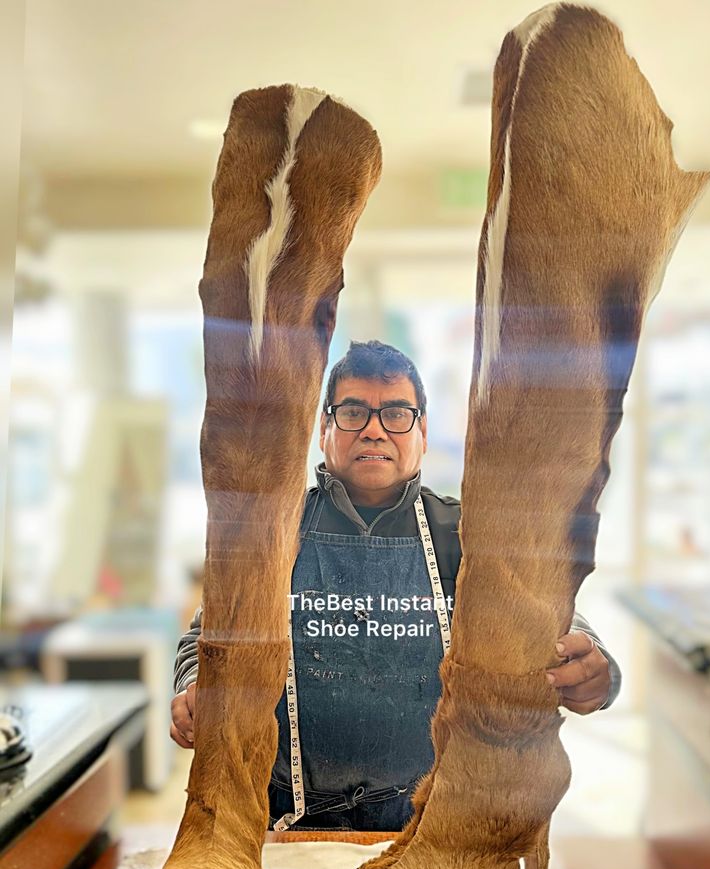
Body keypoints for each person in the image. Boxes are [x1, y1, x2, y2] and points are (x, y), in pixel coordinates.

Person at [171, 340, 621, 831]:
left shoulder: (468, 535)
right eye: (353, 412)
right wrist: (195, 688)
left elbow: (547, 617)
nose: (374, 430)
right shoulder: (272, 533)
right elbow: (205, 637)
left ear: (422, 432)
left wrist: (594, 667)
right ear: (323, 429)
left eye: (396, 414)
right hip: (285, 823)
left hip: (433, 825)